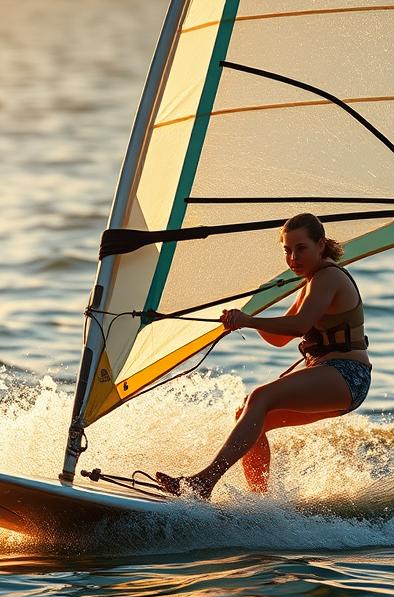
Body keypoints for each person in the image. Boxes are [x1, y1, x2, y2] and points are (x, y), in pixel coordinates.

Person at [155, 212, 372, 499]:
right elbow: (278, 339)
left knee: (260, 397)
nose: (293, 258)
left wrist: (249, 320)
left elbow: (299, 326)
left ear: (321, 245)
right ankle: (259, 501)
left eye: (301, 248)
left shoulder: (328, 277)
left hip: (348, 375)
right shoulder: (311, 281)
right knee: (249, 413)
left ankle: (203, 482)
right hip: (332, 376)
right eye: (287, 250)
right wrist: (243, 319)